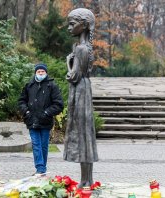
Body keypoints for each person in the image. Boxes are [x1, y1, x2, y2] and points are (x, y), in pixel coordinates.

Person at [63, 8, 98, 188]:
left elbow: (73, 76)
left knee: (83, 134)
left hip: (80, 91)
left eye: (72, 24)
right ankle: (87, 179)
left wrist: (68, 63)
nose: (69, 28)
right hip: (84, 89)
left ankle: (86, 180)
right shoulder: (84, 47)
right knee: (85, 134)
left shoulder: (82, 49)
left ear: (83, 25)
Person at [18, 63, 64, 175]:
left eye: (42, 72)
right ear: (35, 73)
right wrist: (26, 111)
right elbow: (21, 101)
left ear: (46, 73)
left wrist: (47, 112)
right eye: (38, 72)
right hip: (31, 120)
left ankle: (42, 168)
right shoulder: (29, 85)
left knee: (43, 145)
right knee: (36, 144)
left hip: (45, 121)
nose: (40, 73)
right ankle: (40, 168)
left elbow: (58, 104)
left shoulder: (52, 86)